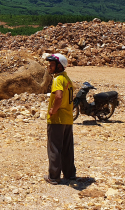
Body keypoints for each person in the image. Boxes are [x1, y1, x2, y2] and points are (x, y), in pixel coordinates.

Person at [44, 53, 76, 185]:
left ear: (59, 66)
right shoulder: (67, 79)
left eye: (51, 65)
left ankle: (54, 176)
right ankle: (70, 174)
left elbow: (58, 97)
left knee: (55, 148)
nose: (49, 67)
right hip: (68, 118)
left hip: (57, 119)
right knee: (67, 148)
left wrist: (53, 110)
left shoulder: (57, 80)